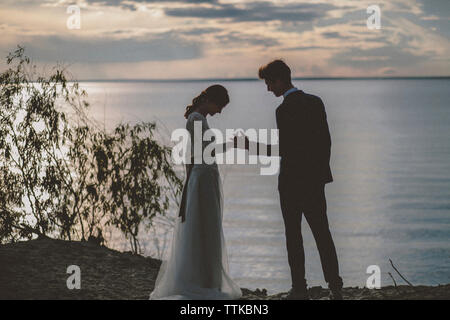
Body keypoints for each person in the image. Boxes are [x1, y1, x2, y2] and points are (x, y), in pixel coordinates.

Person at [241, 60, 343, 300]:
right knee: (323, 234)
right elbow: (325, 143)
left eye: (269, 83)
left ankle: (299, 289)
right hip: (314, 182)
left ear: (279, 80)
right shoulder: (316, 102)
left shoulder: (284, 110)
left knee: (293, 236)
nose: (268, 89)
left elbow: (283, 150)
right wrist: (319, 175)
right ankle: (336, 287)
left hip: (291, 184)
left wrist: (250, 146)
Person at [150, 84, 242, 300]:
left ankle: (204, 278)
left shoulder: (198, 118)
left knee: (205, 226)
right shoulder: (197, 119)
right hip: (203, 177)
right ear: (210, 100)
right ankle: (203, 280)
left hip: (204, 175)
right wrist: (232, 144)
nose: (219, 111)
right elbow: (203, 152)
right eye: (219, 106)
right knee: (205, 225)